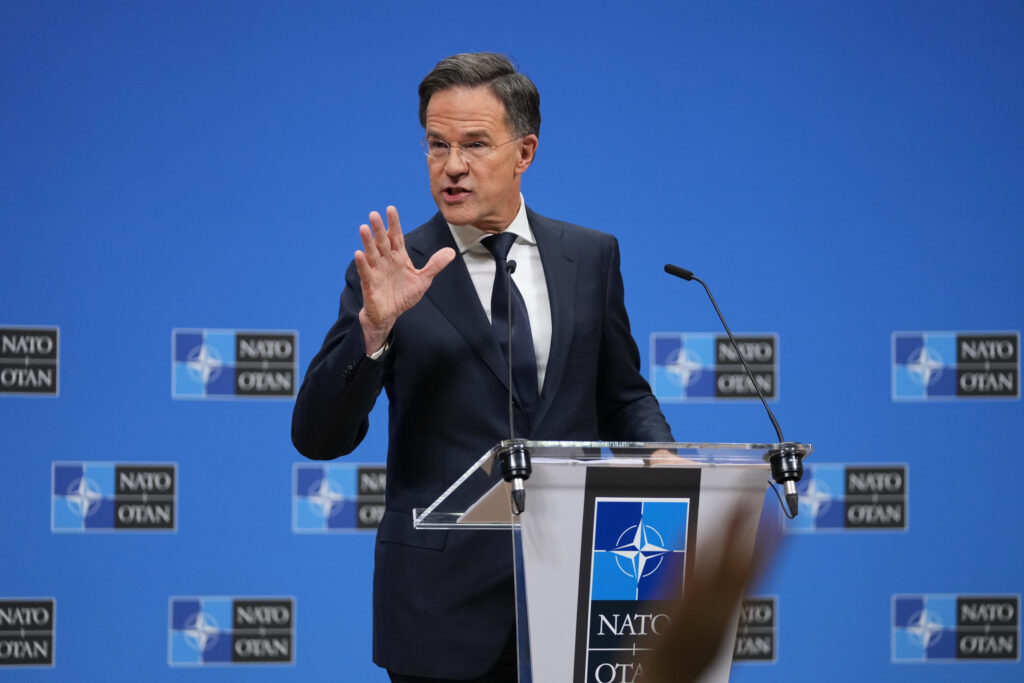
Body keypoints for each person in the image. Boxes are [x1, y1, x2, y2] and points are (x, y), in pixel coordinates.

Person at [292, 52, 674, 682]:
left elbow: (622, 395)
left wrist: (662, 457)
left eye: (474, 144)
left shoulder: (590, 257)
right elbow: (317, 437)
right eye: (436, 144)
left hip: (576, 593)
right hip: (439, 608)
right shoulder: (393, 270)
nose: (452, 166)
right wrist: (374, 330)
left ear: (525, 152)